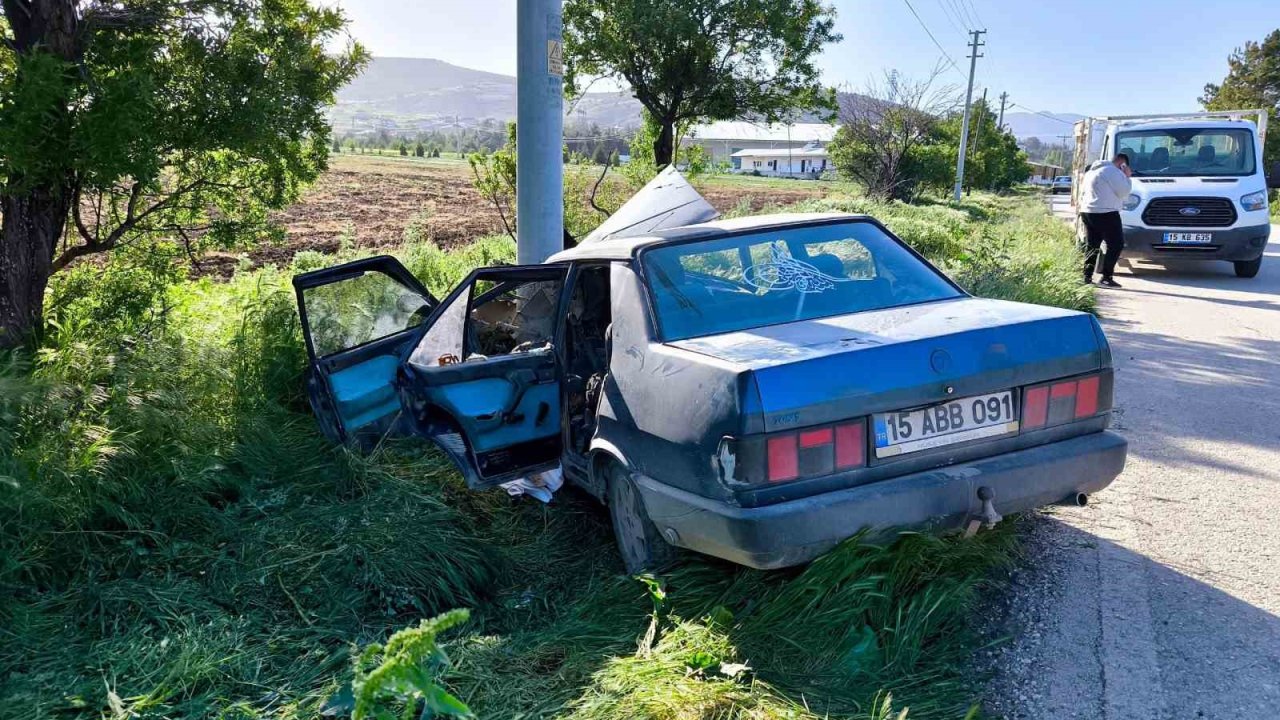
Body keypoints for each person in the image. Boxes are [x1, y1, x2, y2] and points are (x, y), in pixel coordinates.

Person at [1078, 152, 1133, 287]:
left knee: (1092, 245)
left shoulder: (1091, 171)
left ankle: (1086, 277)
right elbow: (1124, 192)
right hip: (1106, 212)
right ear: (1122, 164)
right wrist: (1127, 177)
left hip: (1088, 211)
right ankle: (1106, 277)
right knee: (1116, 244)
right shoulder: (1113, 171)